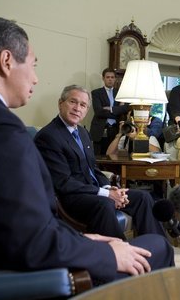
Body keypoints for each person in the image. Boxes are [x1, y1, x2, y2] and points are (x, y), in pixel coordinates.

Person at [0, 18, 173, 285]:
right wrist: (104, 252)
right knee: (158, 246)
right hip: (31, 279)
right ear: (6, 61)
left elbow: (12, 220)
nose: (35, 77)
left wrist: (82, 238)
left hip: (0, 259)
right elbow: (32, 244)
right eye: (33, 65)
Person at [35, 85, 167, 240]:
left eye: (83, 105)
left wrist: (109, 187)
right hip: (72, 198)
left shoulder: (83, 133)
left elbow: (93, 168)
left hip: (95, 191)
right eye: (73, 102)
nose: (78, 108)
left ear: (86, 110)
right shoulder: (49, 136)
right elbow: (63, 183)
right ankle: (122, 256)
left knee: (143, 198)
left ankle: (155, 248)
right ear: (60, 103)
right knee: (105, 205)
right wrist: (107, 194)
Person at [90, 69, 129, 155]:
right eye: (108, 77)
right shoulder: (96, 93)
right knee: (98, 157)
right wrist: (118, 110)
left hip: (116, 129)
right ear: (103, 78)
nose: (110, 79)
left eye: (112, 77)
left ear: (115, 79)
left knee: (113, 156)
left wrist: (111, 109)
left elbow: (126, 108)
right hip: (101, 129)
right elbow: (98, 111)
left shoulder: (120, 93)